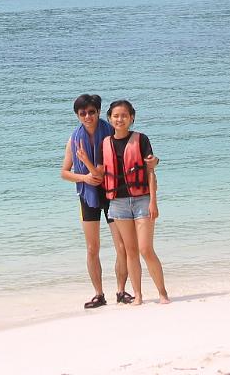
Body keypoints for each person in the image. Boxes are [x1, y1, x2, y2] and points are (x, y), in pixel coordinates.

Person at [60, 94, 158, 309]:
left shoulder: (110, 133)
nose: (87, 116)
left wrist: (153, 162)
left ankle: (121, 291)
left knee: (122, 246)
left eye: (91, 112)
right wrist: (84, 178)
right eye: (82, 113)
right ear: (77, 115)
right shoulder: (74, 139)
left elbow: (133, 153)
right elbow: (64, 172)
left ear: (98, 112)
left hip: (113, 194)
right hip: (87, 194)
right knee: (92, 247)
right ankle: (98, 294)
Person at [80, 99, 170, 305]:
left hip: (142, 200)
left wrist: (153, 202)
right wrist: (85, 162)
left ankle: (162, 293)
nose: (119, 119)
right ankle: (138, 295)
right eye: (116, 116)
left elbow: (150, 170)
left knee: (145, 249)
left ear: (131, 118)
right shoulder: (105, 144)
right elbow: (100, 175)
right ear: (109, 118)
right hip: (118, 203)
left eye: (124, 116)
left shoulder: (141, 139)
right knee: (130, 251)